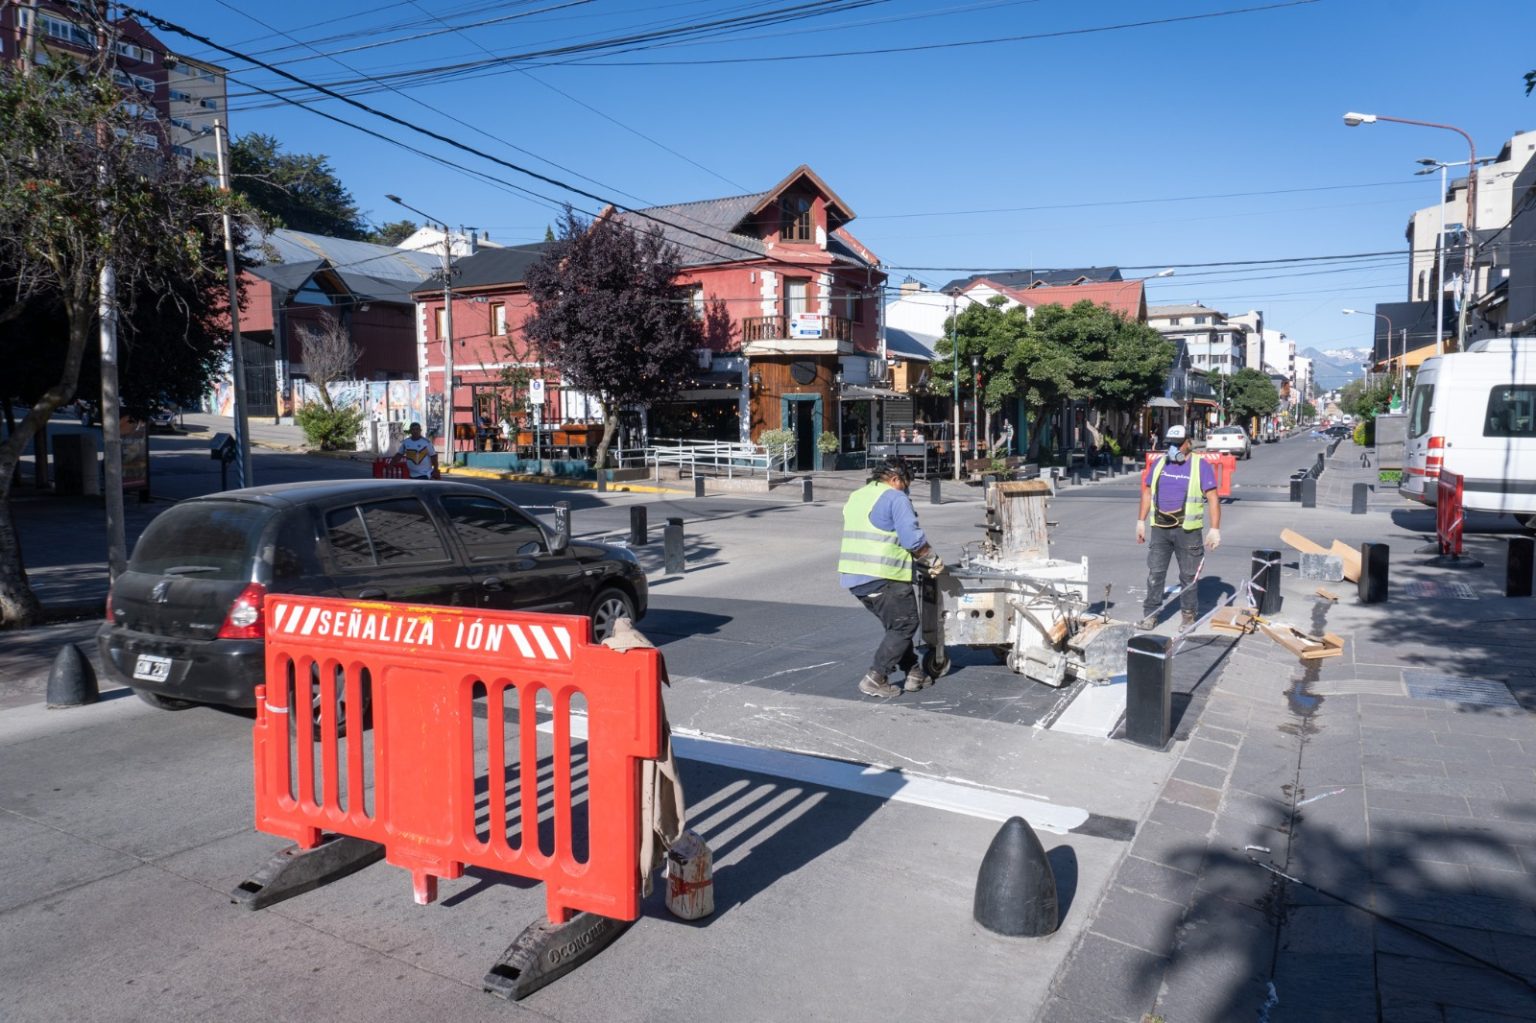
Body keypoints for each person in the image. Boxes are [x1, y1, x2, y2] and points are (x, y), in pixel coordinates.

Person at [838, 455, 944, 698]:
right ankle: (875, 677)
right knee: (905, 624)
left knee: (896, 626)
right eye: (905, 483)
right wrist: (932, 561)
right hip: (885, 574)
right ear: (895, 479)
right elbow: (912, 539)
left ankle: (914, 671)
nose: (906, 489)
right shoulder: (895, 497)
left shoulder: (858, 495)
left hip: (855, 578)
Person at [1136, 424, 1220, 630]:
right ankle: (1151, 615)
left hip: (1188, 530)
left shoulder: (1200, 465)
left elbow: (1213, 498)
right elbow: (1147, 492)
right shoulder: (1160, 463)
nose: (1173, 448)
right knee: (1155, 573)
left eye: (1177, 444)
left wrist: (1215, 528)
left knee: (1188, 576)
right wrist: (1140, 521)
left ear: (1188, 443)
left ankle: (1188, 616)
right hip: (1160, 528)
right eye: (1170, 444)